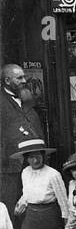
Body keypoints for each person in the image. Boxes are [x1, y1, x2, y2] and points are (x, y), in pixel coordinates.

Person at [13, 137, 68, 229]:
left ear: (43, 156)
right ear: (26, 158)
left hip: (49, 217)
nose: (35, 160)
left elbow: (64, 204)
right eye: (31, 158)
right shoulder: (25, 173)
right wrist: (20, 205)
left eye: (38, 156)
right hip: (30, 217)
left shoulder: (53, 174)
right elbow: (27, 193)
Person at [1, 63, 45, 218]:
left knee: (34, 208)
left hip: (33, 164)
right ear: (7, 81)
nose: (24, 80)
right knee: (12, 211)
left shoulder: (27, 99)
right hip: (9, 168)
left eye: (24, 77)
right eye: (19, 78)